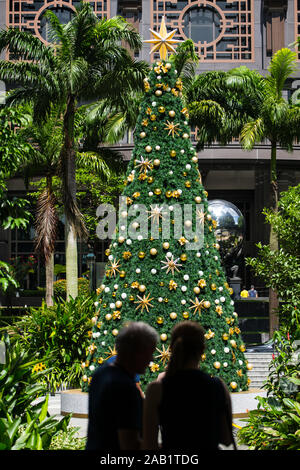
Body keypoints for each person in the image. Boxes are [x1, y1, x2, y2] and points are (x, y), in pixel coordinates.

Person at [142, 321, 234, 450]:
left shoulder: (156, 390)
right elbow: (226, 439)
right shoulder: (218, 386)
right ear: (202, 349)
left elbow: (149, 444)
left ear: (172, 348)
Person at [86, 321, 158, 451]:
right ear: (136, 352)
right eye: (150, 352)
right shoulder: (124, 387)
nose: (151, 359)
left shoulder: (100, 374)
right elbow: (130, 444)